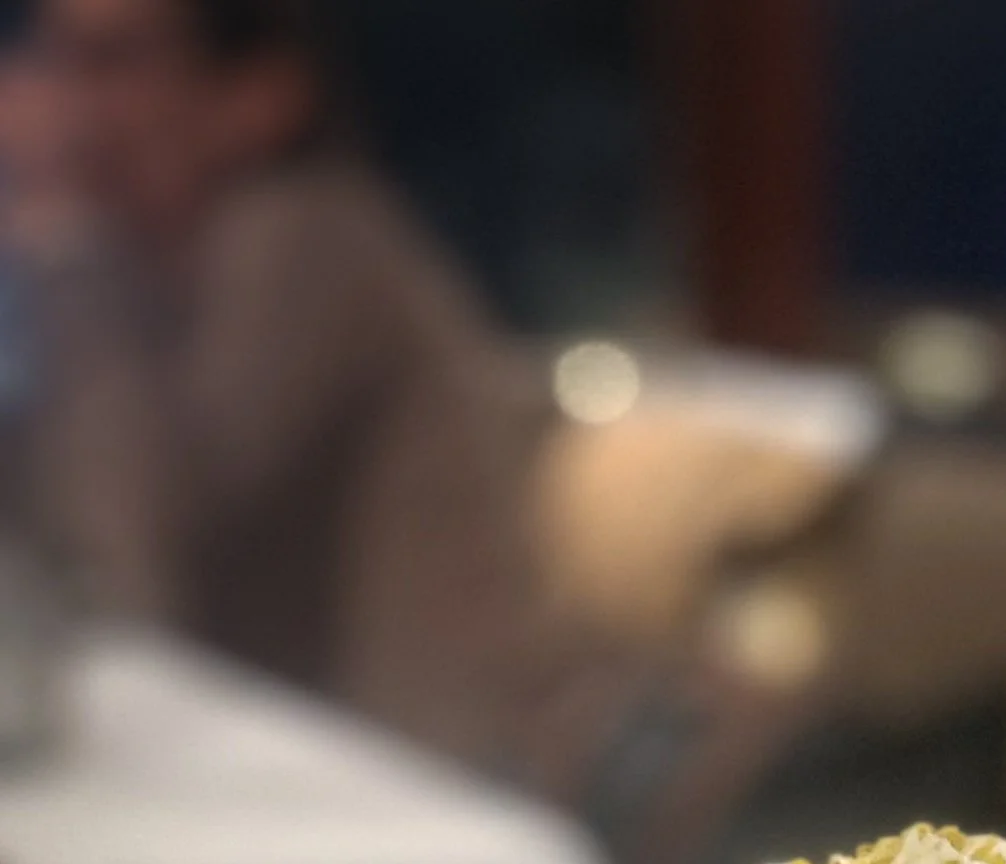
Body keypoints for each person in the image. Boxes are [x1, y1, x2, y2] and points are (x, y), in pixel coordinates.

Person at [0, 0, 635, 797]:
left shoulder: (311, 243)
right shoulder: (149, 284)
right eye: (53, 60)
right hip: (341, 770)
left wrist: (67, 254)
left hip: (481, 779)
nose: (67, 108)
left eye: (114, 64)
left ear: (260, 93)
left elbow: (133, 581)